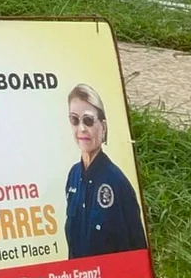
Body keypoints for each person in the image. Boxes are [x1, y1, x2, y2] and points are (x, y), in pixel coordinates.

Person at [63, 84, 148, 259]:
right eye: (74, 120)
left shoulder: (118, 183)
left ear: (103, 127)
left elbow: (136, 254)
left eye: (88, 120)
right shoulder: (73, 177)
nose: (81, 129)